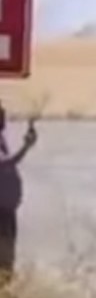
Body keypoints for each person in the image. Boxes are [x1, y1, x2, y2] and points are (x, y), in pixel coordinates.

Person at [0, 99, 38, 286]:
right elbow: (5, 164)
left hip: (7, 206)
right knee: (5, 249)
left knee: (8, 250)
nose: (3, 117)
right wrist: (26, 146)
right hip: (2, 209)